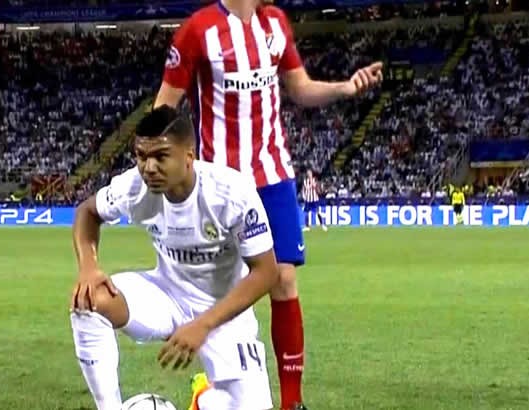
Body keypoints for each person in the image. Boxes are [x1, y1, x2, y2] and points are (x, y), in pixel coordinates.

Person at [154, 1, 382, 407]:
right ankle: (212, 387)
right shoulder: (198, 30)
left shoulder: (275, 22)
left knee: (283, 278)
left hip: (273, 175)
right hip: (220, 180)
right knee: (219, 286)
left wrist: (344, 88)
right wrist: (169, 166)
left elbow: (299, 88)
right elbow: (163, 108)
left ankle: (292, 402)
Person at [69, 106, 279, 410]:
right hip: (166, 295)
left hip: (222, 312)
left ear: (189, 156)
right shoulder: (134, 186)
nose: (148, 167)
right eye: (141, 156)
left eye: (160, 156)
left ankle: (206, 398)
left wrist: (203, 325)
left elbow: (266, 273)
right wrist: (88, 267)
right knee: (88, 301)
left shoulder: (231, 193)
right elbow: (88, 212)